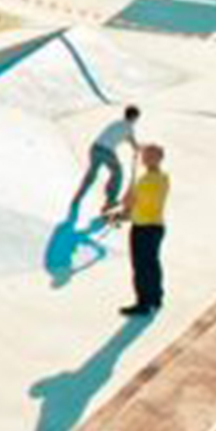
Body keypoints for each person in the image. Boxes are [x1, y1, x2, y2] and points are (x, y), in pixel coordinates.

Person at [118, 142, 170, 317]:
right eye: (145, 155)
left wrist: (126, 204)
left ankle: (143, 303)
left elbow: (127, 202)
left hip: (143, 227)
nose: (145, 159)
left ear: (158, 158)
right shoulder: (163, 178)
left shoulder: (145, 181)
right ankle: (155, 298)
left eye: (148, 156)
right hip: (156, 226)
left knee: (141, 267)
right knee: (152, 264)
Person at [74, 105, 139, 216]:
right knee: (118, 173)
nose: (136, 121)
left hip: (95, 148)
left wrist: (134, 146)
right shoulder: (129, 127)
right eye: (136, 118)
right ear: (133, 117)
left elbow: (124, 137)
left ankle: (78, 196)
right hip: (106, 151)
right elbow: (132, 142)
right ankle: (110, 200)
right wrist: (137, 149)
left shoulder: (116, 123)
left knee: (92, 173)